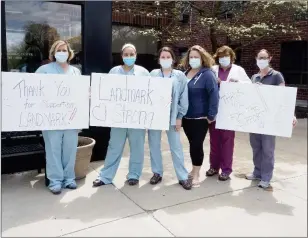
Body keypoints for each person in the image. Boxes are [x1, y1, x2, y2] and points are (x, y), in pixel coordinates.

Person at [93, 43, 150, 187]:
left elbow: (151, 94)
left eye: (132, 54)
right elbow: (105, 92)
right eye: (126, 54)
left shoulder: (143, 72)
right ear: (122, 56)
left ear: (136, 55)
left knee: (137, 147)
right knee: (114, 147)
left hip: (137, 118)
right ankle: (106, 176)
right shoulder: (114, 71)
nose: (129, 57)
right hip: (118, 118)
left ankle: (134, 175)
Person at [246, 49, 298, 189]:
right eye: (259, 57)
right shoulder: (254, 77)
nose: (261, 60)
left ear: (270, 58)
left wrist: (290, 115)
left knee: (267, 149)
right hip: (256, 119)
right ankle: (257, 172)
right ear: (256, 58)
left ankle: (266, 177)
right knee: (256, 147)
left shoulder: (276, 76)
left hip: (270, 120)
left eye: (264, 57)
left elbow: (284, 98)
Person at [35, 40, 81, 195]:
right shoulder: (44, 70)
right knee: (53, 150)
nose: (62, 52)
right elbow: (34, 91)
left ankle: (69, 179)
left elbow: (78, 94)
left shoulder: (75, 72)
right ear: (53, 53)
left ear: (69, 53)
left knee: (70, 150)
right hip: (51, 118)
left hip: (70, 118)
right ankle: (55, 181)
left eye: (65, 50)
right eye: (59, 50)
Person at [148, 47, 192, 190]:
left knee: (176, 147)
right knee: (154, 145)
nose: (165, 59)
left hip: (172, 116)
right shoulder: (153, 74)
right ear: (159, 59)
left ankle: (183, 176)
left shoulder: (179, 76)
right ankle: (157, 173)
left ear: (173, 59)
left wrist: (180, 116)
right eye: (163, 57)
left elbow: (183, 98)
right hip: (155, 116)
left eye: (168, 57)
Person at [207, 45, 251, 181]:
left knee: (227, 141)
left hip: (230, 111)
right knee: (214, 140)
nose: (224, 59)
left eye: (226, 56)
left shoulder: (238, 70)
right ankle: (214, 166)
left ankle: (226, 169)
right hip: (215, 110)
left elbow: (249, 86)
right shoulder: (212, 70)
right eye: (221, 56)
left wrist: (236, 82)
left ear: (232, 57)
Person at [181, 45, 219, 187]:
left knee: (197, 145)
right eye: (191, 57)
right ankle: (193, 169)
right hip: (186, 118)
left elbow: (214, 95)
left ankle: (196, 173)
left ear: (202, 58)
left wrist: (211, 115)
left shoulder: (207, 74)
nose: (193, 59)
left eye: (196, 57)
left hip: (200, 119)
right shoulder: (185, 73)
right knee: (192, 145)